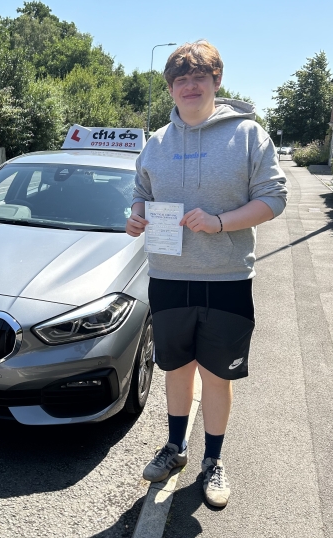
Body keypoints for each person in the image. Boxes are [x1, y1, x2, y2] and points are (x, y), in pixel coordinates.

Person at [126, 40, 287, 507]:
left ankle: (212, 461)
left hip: (227, 278)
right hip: (169, 277)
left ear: (216, 81)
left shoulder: (249, 135)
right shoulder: (156, 142)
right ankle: (175, 448)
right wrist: (136, 214)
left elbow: (274, 198)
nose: (189, 86)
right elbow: (140, 190)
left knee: (218, 376)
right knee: (176, 370)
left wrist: (220, 223)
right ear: (171, 88)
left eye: (199, 77)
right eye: (180, 79)